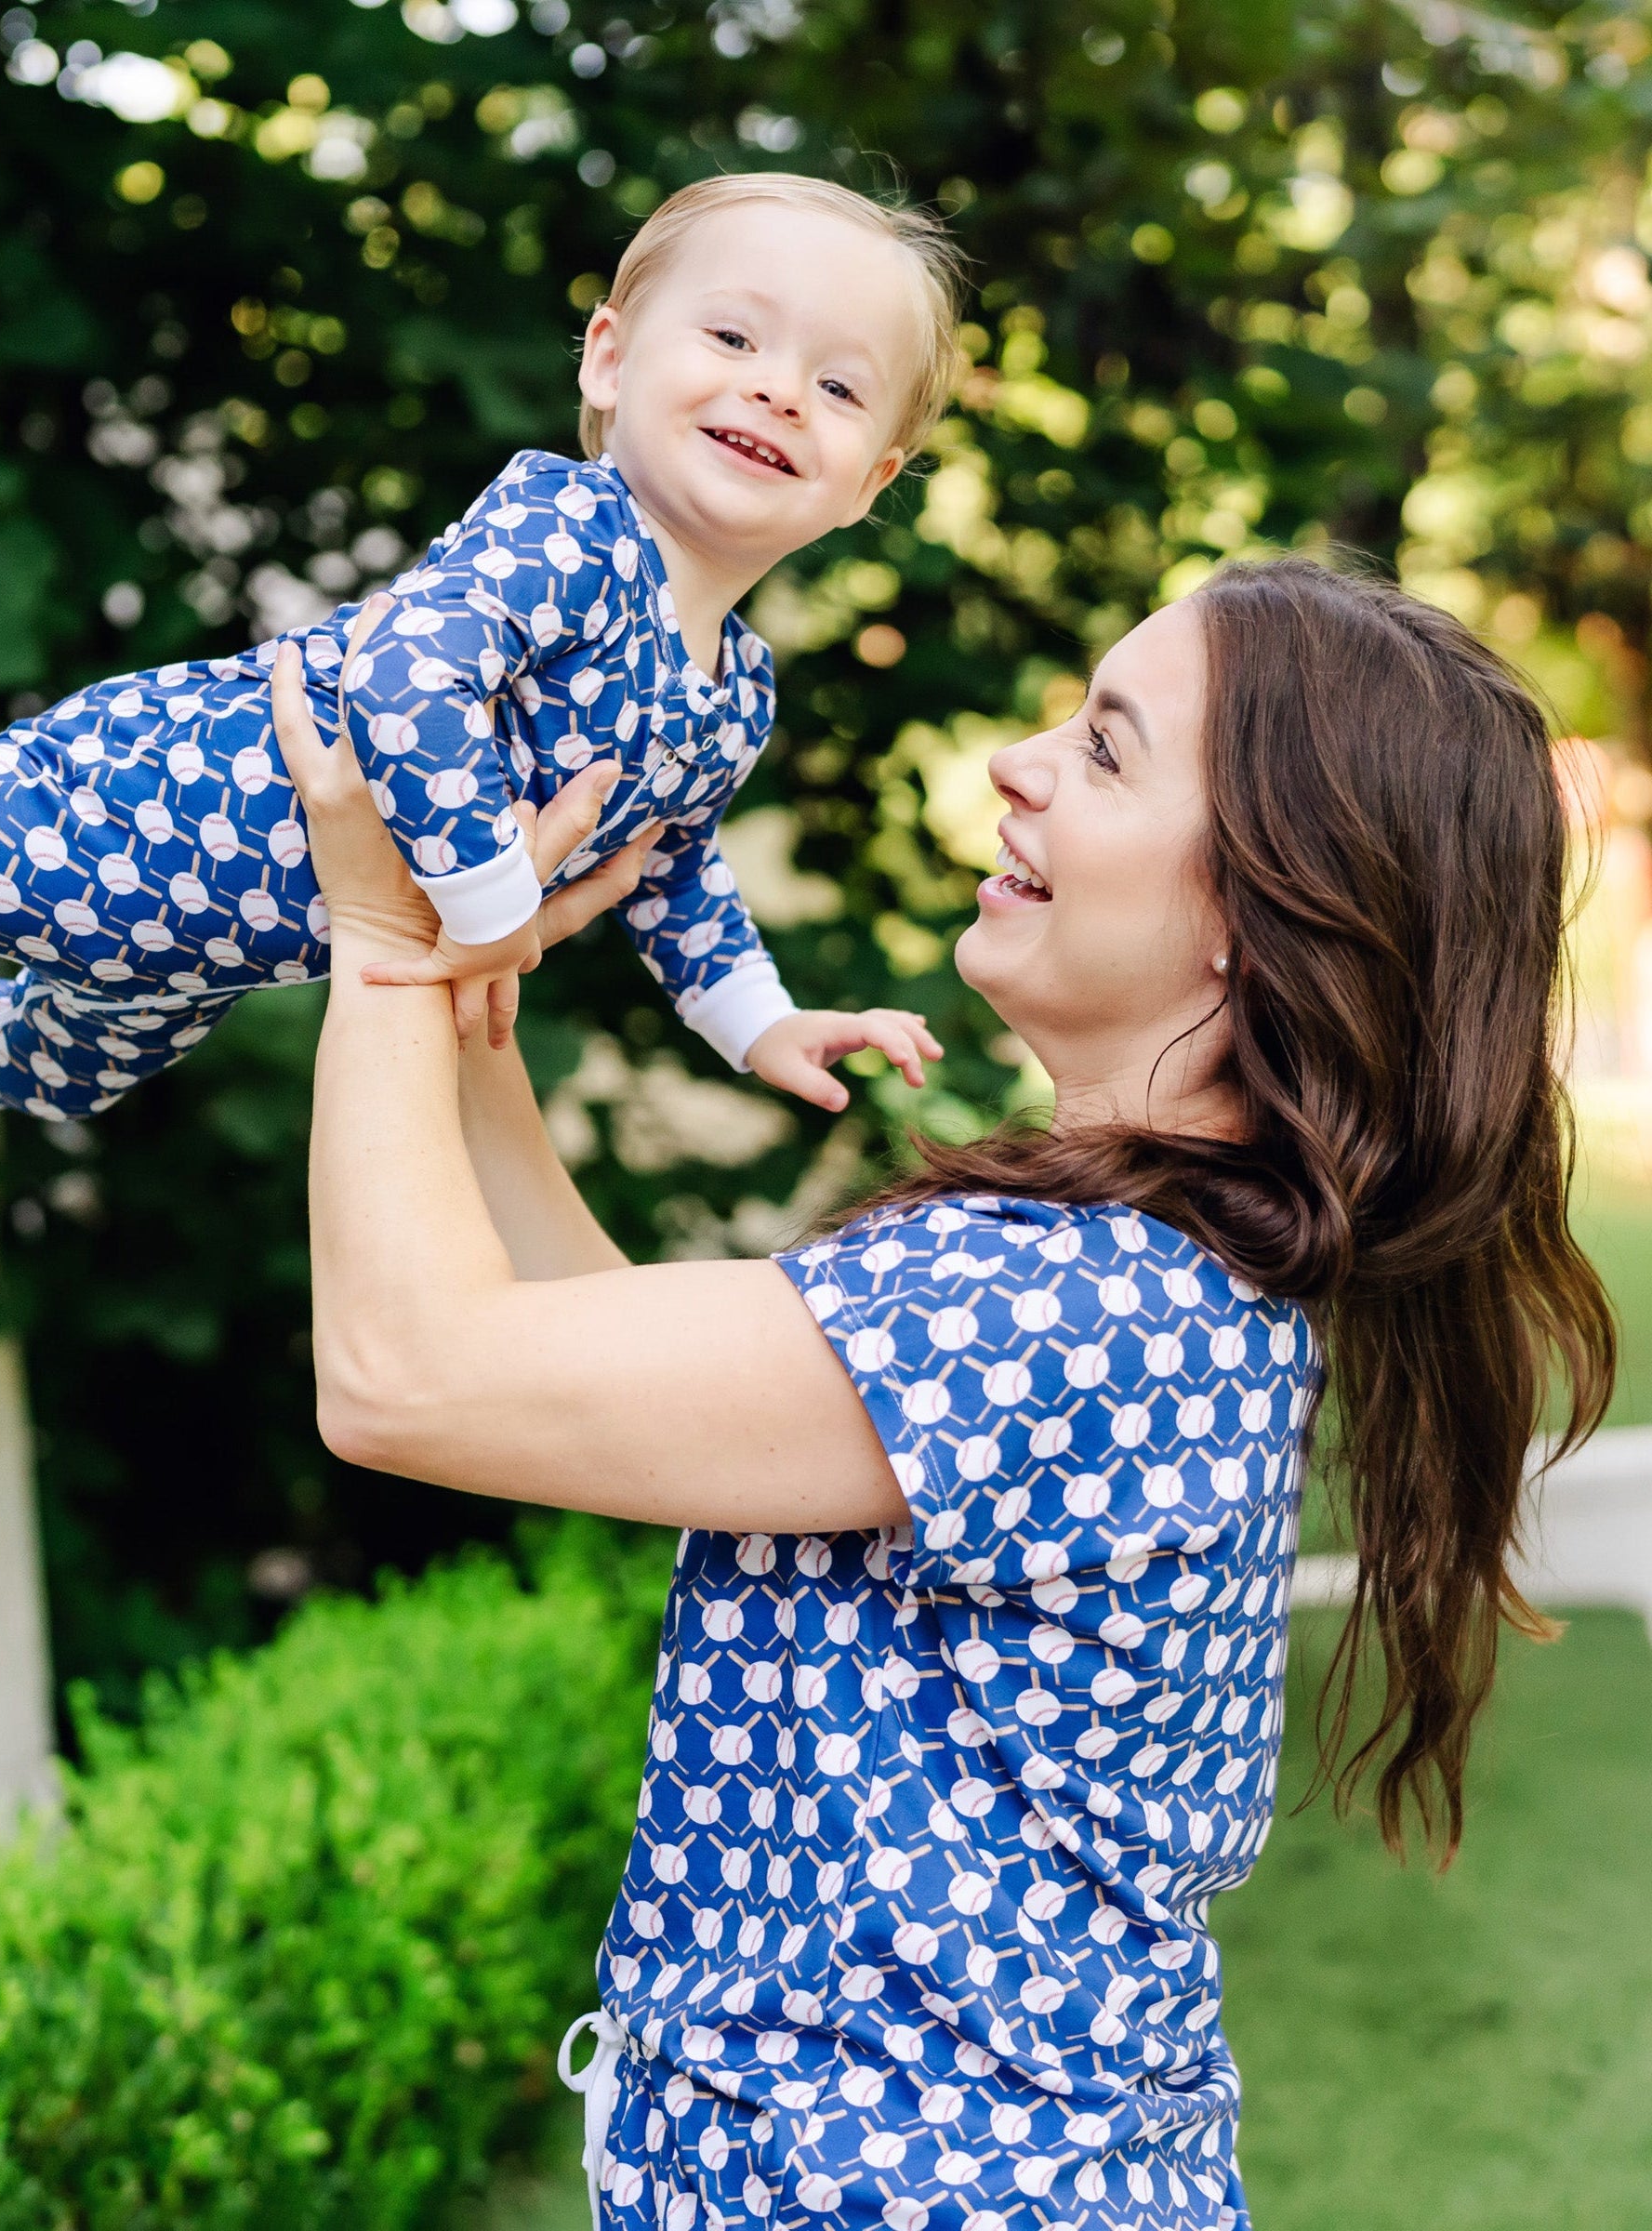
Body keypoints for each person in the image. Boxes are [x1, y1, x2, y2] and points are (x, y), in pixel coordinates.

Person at [268, 553, 1614, 2230]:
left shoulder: (1070, 1305)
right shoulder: (1135, 1275)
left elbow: (406, 1380)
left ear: (1259, 923)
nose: (1020, 764)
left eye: (1109, 750)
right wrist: (470, 990)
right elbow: (589, 1351)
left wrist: (386, 944)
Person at [0, 172, 958, 1265]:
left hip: (229, 940)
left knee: (74, 1061)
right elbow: (412, 683)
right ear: (612, 359)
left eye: (836, 388)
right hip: (138, 796)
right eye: (736, 340)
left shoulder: (732, 698)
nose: (776, 395)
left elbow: (675, 873)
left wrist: (761, 1023)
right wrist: (490, 905)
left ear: (870, 482)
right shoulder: (568, 531)